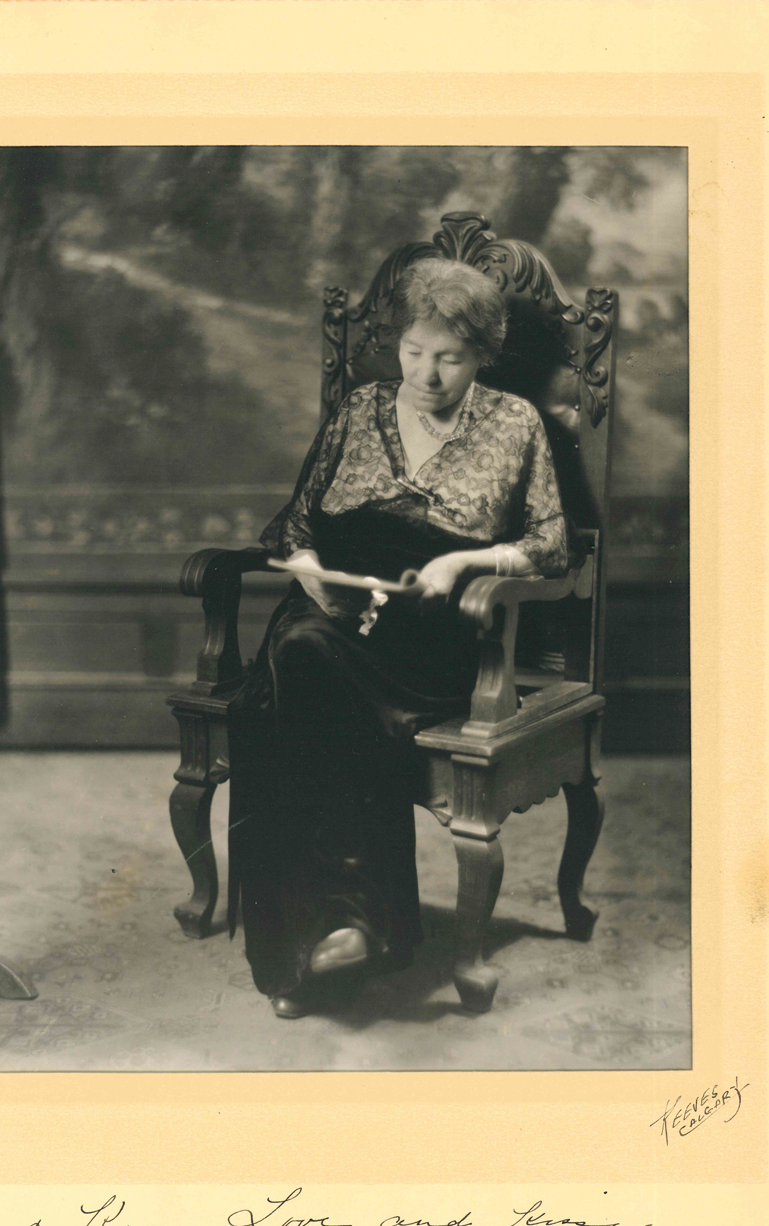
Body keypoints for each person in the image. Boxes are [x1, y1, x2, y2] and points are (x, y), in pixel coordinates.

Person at [227, 256, 577, 1018]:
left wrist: (464, 560)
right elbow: (293, 522)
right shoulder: (358, 409)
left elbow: (553, 547)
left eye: (449, 357)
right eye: (414, 352)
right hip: (333, 608)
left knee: (297, 669)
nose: (426, 372)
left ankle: (323, 941)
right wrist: (312, 566)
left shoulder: (516, 423)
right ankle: (339, 935)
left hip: (428, 639)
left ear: (482, 354)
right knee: (301, 650)